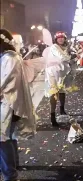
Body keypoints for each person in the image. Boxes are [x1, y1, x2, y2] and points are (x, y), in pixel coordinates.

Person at [0, 29, 36, 181]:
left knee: (3, 138)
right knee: (9, 136)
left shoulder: (10, 59)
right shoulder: (9, 57)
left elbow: (6, 82)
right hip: (9, 103)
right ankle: (13, 166)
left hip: (8, 104)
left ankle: (10, 174)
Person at [45, 31, 72, 127]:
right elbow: (62, 58)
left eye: (62, 37)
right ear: (55, 39)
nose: (61, 39)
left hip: (61, 73)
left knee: (62, 91)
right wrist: (69, 56)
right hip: (53, 73)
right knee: (54, 93)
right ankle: (52, 116)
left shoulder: (64, 47)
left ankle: (62, 109)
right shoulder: (54, 47)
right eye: (58, 37)